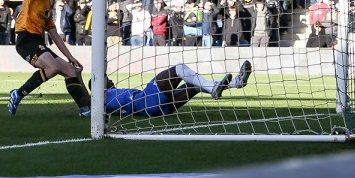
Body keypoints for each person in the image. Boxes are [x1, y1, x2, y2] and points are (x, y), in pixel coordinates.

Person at [8, 0, 91, 117]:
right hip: (26, 40)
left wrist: (70, 58)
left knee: (72, 71)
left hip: (39, 42)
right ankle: (18, 94)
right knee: (51, 67)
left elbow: (54, 34)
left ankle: (85, 108)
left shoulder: (48, 2)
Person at [103, 61, 252, 117]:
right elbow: (86, 103)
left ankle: (236, 83)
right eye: (105, 79)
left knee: (194, 85)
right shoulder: (103, 97)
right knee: (178, 69)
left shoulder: (109, 98)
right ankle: (214, 89)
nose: (109, 79)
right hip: (145, 100)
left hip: (156, 110)